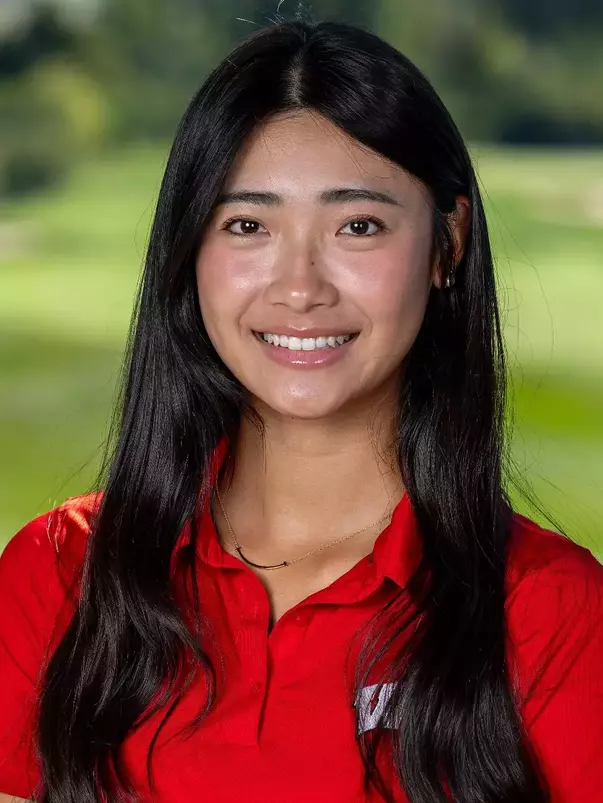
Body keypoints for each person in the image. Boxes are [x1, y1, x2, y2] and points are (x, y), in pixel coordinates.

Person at [1, 16, 602, 803]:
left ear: (446, 246)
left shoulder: (552, 611)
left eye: (357, 225)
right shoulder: (57, 572)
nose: (299, 287)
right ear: (190, 250)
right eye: (247, 225)